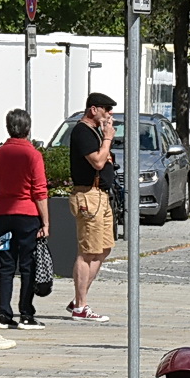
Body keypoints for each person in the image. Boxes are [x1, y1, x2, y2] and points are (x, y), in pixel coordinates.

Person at [0, 108, 50, 330]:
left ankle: (3, 313)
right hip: (27, 214)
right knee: (27, 265)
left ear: (8, 127)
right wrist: (46, 221)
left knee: (5, 266)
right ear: (28, 128)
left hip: (3, 212)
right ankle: (26, 313)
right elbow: (39, 191)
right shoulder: (33, 155)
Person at [67, 93, 118, 322]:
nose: (110, 113)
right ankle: (81, 306)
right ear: (93, 109)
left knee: (104, 247)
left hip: (101, 194)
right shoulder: (82, 131)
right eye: (106, 109)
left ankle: (79, 296)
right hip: (88, 195)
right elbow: (97, 161)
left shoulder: (95, 131)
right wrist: (107, 139)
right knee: (87, 251)